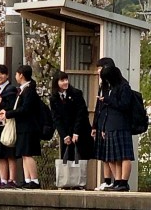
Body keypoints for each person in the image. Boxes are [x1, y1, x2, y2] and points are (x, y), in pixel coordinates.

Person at [0, 65, 42, 189]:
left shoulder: (29, 90)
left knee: (28, 154)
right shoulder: (23, 90)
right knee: (23, 154)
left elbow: (24, 109)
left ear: (21, 75)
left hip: (28, 127)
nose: (16, 76)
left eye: (17, 74)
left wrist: (8, 114)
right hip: (22, 127)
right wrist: (7, 112)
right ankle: (27, 179)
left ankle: (34, 180)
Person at [95, 65, 135, 192]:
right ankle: (117, 181)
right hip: (111, 124)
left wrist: (108, 100)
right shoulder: (111, 88)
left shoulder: (124, 87)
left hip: (122, 124)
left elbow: (124, 105)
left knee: (125, 156)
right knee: (116, 157)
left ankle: (124, 182)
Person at [50, 70, 94, 168]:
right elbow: (56, 118)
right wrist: (64, 135)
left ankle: (80, 178)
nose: (65, 82)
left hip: (80, 131)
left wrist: (76, 132)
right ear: (56, 82)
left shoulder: (76, 93)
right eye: (62, 80)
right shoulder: (54, 98)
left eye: (66, 79)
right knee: (68, 160)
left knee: (80, 159)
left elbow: (82, 114)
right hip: (66, 134)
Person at [92, 57, 116, 190]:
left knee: (110, 154)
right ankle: (107, 181)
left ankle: (117, 181)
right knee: (103, 155)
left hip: (109, 122)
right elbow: (98, 106)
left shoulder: (113, 84)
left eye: (100, 68)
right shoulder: (102, 85)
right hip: (101, 121)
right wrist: (94, 125)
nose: (98, 71)